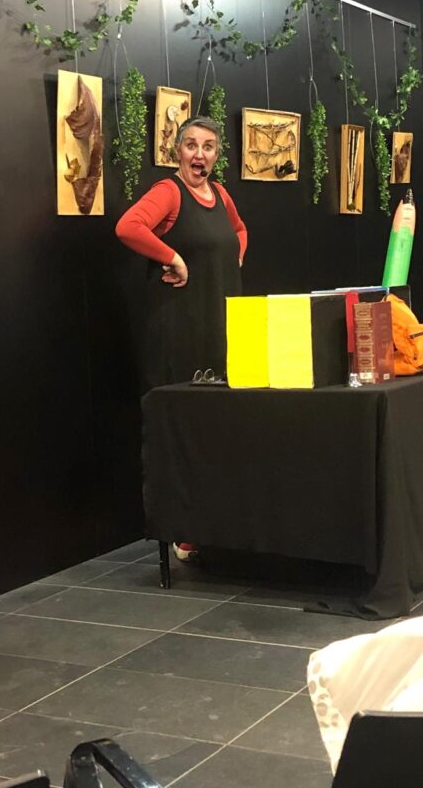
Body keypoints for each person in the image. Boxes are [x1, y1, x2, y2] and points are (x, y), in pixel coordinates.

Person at [116, 116, 247, 561]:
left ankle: (214, 523)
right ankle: (183, 528)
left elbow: (240, 231)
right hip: (178, 332)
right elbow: (129, 227)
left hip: (218, 328)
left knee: (217, 427)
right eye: (191, 145)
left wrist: (231, 259)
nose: (199, 154)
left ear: (217, 154)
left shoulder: (221, 194)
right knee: (182, 430)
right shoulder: (169, 192)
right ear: (177, 151)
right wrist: (173, 257)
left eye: (208, 147)